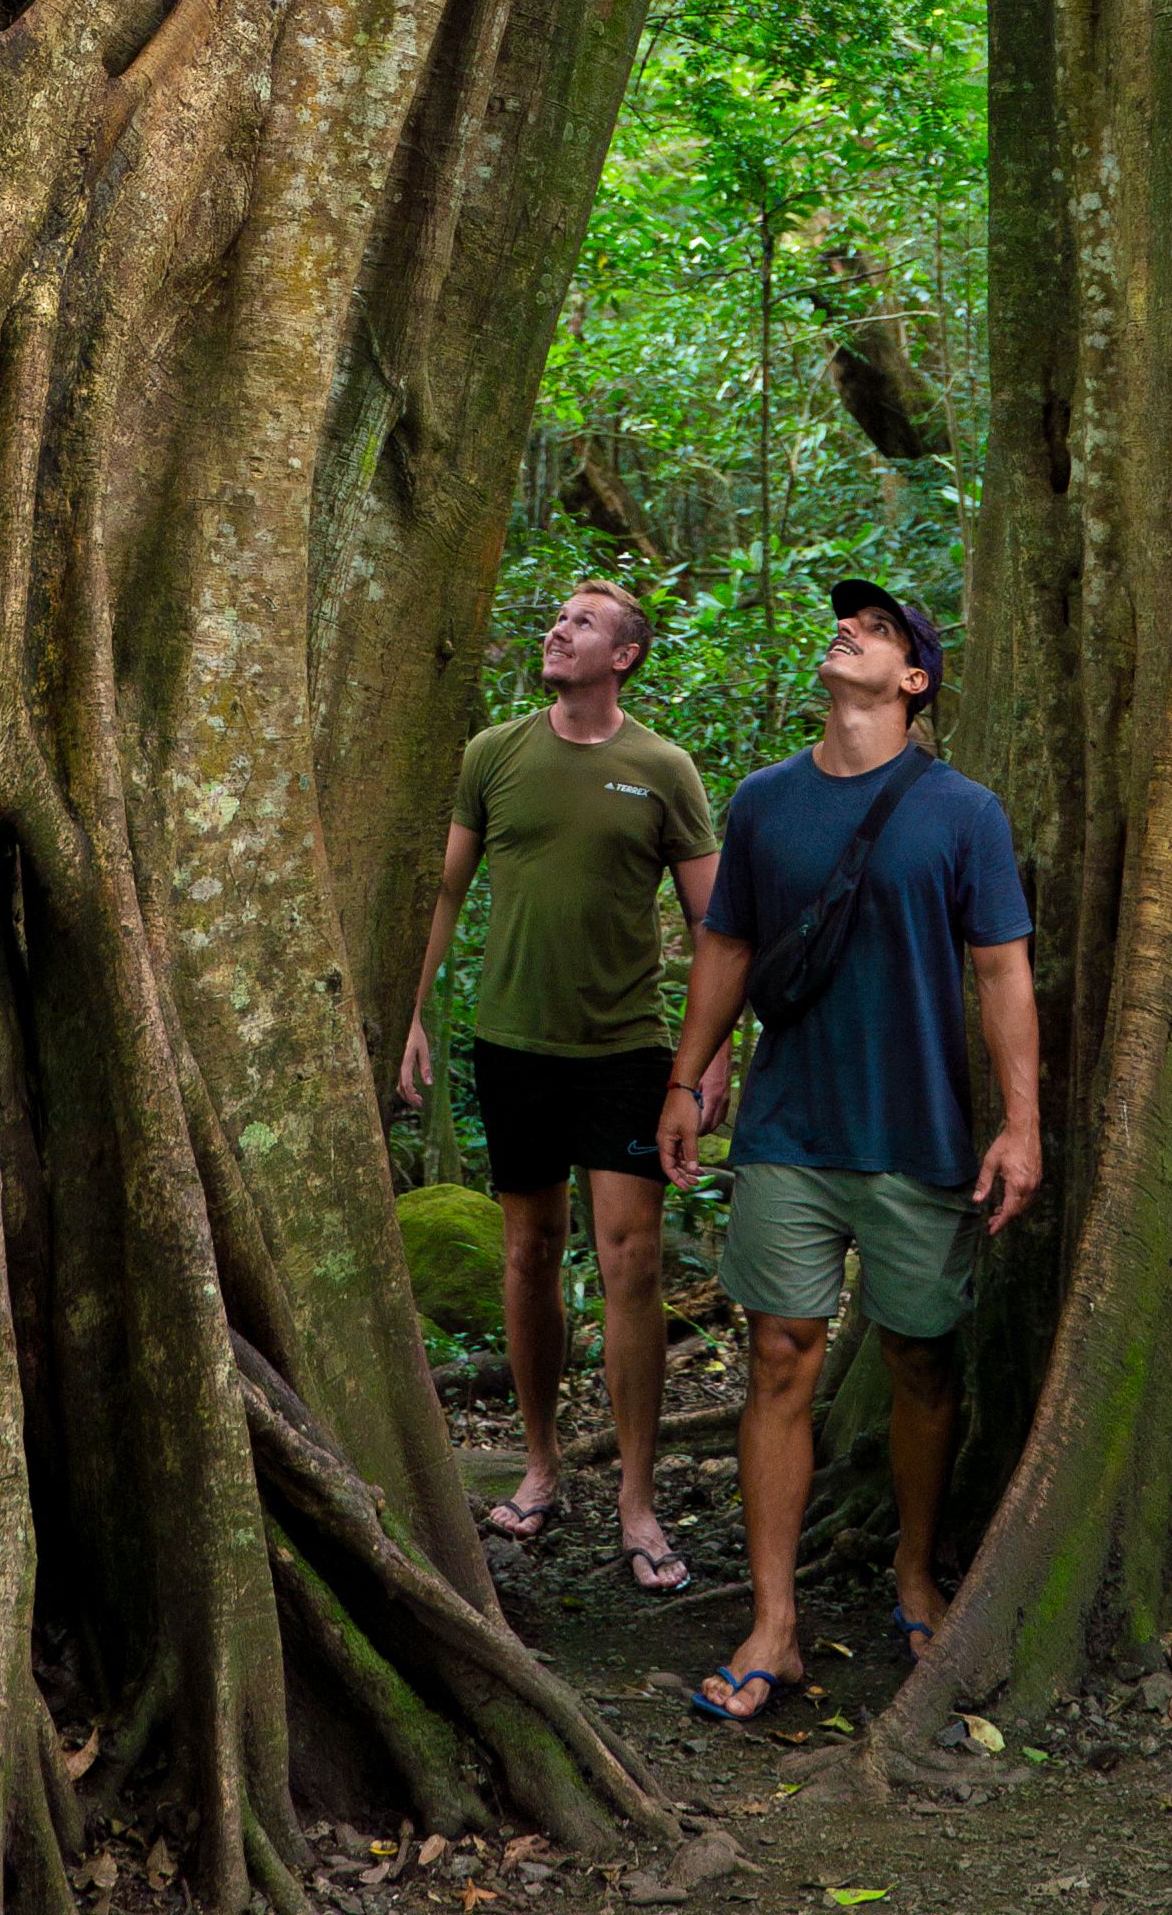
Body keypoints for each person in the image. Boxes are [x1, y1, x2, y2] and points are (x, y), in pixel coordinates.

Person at [655, 576, 1038, 1723]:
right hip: (789, 1129)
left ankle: (916, 1571)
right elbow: (725, 943)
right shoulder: (765, 802)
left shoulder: (963, 811)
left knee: (921, 1359)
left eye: (876, 631)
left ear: (913, 681)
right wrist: (691, 1074)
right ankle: (772, 1622)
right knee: (780, 1356)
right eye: (846, 623)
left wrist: (1021, 1122)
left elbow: (1002, 971)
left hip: (919, 1132)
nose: (849, 633)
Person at [398, 580, 730, 1590]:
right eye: (558, 618)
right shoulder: (494, 753)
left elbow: (715, 922)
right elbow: (444, 890)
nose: (558, 628)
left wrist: (708, 1059)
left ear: (623, 655)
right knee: (528, 1249)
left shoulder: (661, 769)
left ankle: (638, 1498)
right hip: (514, 1045)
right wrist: (411, 1014)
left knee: (631, 1260)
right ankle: (542, 1467)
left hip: (625, 1048)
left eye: (582, 621)